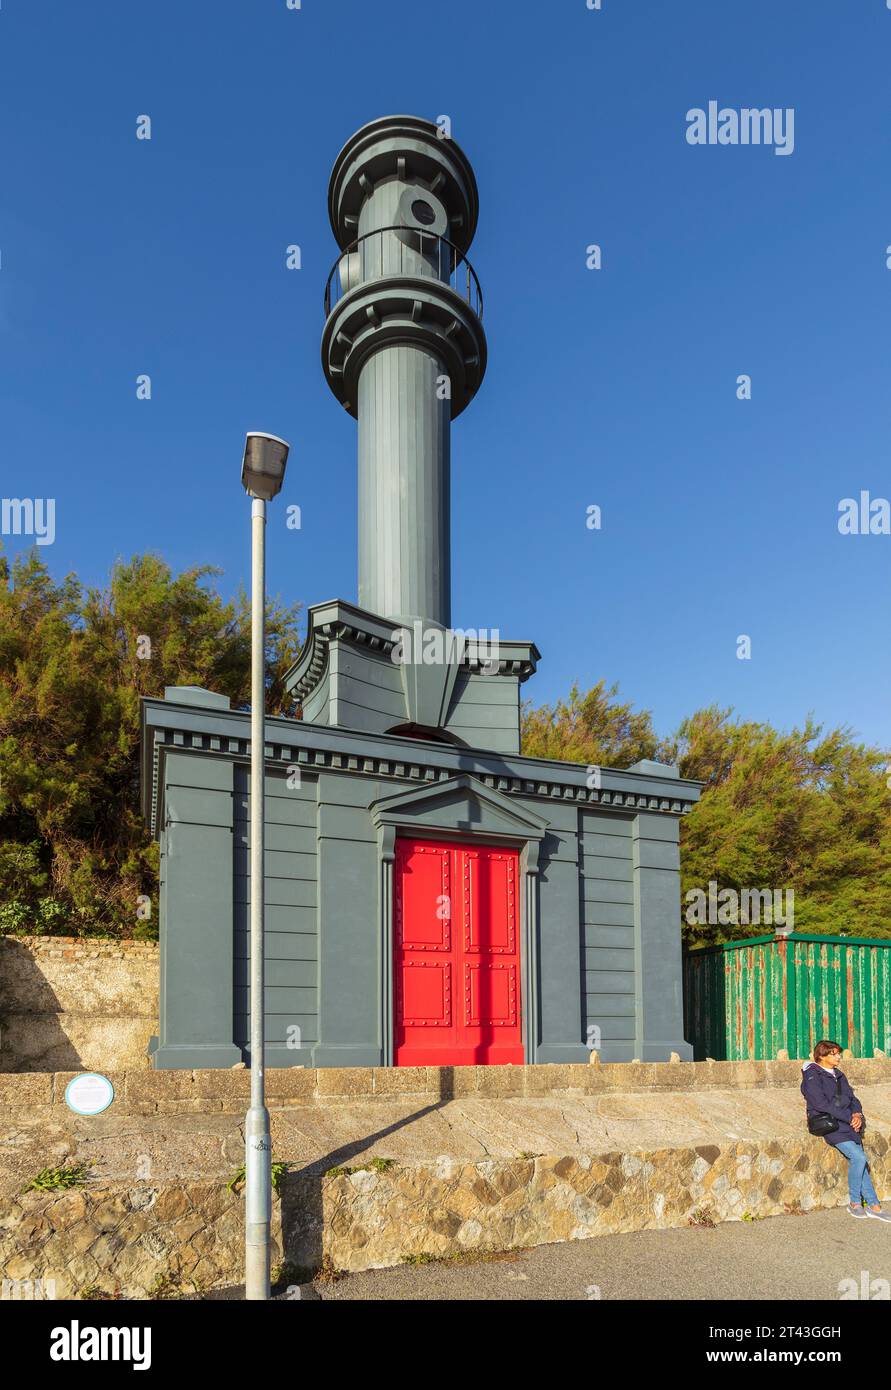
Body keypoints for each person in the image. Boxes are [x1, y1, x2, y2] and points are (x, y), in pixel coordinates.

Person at [801, 1039, 889, 1221]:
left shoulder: (839, 1075)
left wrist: (857, 1114)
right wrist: (849, 1117)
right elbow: (820, 1103)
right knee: (859, 1157)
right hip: (831, 1125)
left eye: (838, 1053)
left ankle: (874, 1205)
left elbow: (852, 1098)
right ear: (822, 1056)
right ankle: (855, 1203)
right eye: (834, 1053)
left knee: (860, 1162)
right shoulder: (812, 1075)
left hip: (848, 1124)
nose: (838, 1056)